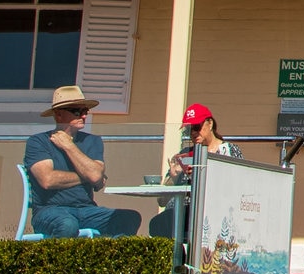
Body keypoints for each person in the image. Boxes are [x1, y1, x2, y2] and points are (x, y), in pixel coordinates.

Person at [24, 85, 142, 238]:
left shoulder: (93, 141)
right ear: (59, 115)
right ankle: (61, 262)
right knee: (67, 224)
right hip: (49, 210)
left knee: (129, 218)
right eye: (77, 111)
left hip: (87, 210)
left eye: (85, 111)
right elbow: (48, 179)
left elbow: (95, 177)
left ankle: (110, 260)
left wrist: (69, 146)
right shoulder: (38, 142)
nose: (84, 116)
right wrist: (86, 175)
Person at [150, 103, 241, 238]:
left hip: (214, 212)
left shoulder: (227, 151)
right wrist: (174, 177)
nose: (193, 133)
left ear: (210, 124)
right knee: (157, 223)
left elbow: (237, 186)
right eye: (189, 129)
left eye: (197, 127)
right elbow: (162, 201)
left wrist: (204, 174)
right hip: (182, 214)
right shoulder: (185, 154)